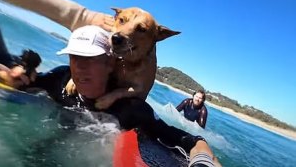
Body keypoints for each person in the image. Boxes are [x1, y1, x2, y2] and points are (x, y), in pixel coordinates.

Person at [29, 25, 221, 166]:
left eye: (90, 58)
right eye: (74, 56)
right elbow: (22, 81)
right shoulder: (60, 79)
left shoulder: (131, 109)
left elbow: (192, 141)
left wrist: (203, 161)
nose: (79, 66)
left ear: (110, 64)